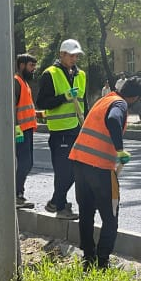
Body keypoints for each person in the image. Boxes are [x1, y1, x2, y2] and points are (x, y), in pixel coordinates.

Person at [69, 77, 141, 270]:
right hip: (100, 168)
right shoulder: (119, 105)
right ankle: (102, 262)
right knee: (110, 216)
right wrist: (120, 150)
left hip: (80, 162)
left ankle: (88, 258)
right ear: (135, 98)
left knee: (86, 213)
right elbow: (112, 120)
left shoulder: (106, 99)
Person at [36, 39, 87, 219]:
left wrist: (87, 125)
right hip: (60, 132)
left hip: (77, 129)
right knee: (65, 171)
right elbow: (41, 102)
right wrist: (63, 97)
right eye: (71, 55)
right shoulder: (50, 74)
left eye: (76, 56)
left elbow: (83, 103)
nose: (74, 58)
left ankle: (56, 202)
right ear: (62, 54)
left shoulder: (81, 75)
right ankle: (59, 205)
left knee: (76, 170)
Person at [14, 53, 38, 209]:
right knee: (25, 162)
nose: (33, 69)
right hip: (20, 130)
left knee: (27, 162)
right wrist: (17, 130)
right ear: (22, 65)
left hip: (27, 129)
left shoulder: (24, 82)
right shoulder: (16, 82)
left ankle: (18, 194)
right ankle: (16, 195)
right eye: (31, 65)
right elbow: (13, 107)